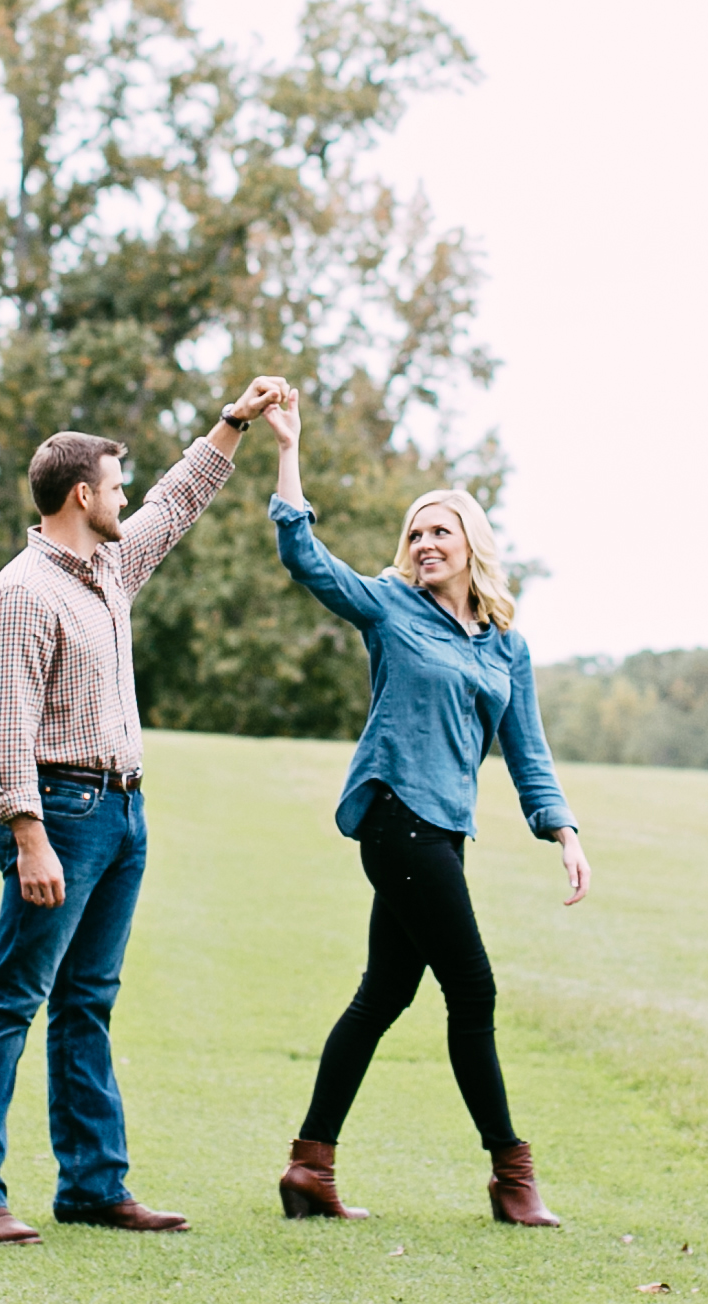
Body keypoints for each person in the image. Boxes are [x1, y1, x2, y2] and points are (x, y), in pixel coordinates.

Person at [0, 376, 295, 1246]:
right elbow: (7, 727)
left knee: (88, 1002)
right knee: (11, 1000)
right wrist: (28, 835)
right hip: (60, 813)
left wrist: (233, 423)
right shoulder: (23, 592)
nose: (127, 497)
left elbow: (177, 501)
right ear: (79, 496)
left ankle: (93, 1187)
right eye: (114, 484)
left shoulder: (109, 566)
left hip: (124, 811)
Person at [261, 389, 588, 1229]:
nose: (424, 543)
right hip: (395, 818)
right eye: (415, 532)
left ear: (471, 543)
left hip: (446, 831)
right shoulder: (388, 606)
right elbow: (305, 558)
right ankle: (513, 1177)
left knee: (383, 996)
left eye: (440, 530)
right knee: (472, 989)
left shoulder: (504, 644)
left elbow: (528, 751)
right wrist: (288, 448)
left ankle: (309, 1167)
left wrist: (563, 830)